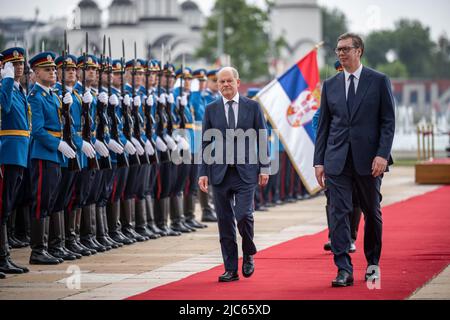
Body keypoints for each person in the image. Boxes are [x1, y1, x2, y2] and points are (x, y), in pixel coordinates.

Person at [314, 33, 395, 287]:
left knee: (372, 212)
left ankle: (372, 265)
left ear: (359, 51)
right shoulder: (330, 85)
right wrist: (319, 161)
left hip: (369, 161)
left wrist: (382, 154)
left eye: (346, 49)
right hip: (337, 160)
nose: (340, 53)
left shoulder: (379, 81)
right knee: (338, 213)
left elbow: (388, 122)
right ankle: (343, 269)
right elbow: (324, 127)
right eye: (338, 50)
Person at [198, 67, 270, 282]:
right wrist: (203, 172)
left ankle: (248, 252)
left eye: (229, 81)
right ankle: (230, 268)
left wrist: (265, 167)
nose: (226, 85)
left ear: (238, 82)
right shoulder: (211, 109)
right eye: (222, 82)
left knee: (243, 215)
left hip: (246, 172)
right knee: (225, 221)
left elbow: (263, 139)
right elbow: (205, 142)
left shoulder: (253, 107)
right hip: (219, 173)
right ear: (218, 84)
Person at [0, 48, 31, 275]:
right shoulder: (6, 87)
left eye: (20, 64)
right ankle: (3, 257)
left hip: (18, 153)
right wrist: (7, 80)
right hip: (7, 153)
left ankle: (4, 256)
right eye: (13, 64)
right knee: (2, 206)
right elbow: (6, 107)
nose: (18, 68)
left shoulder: (19, 89)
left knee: (7, 206)